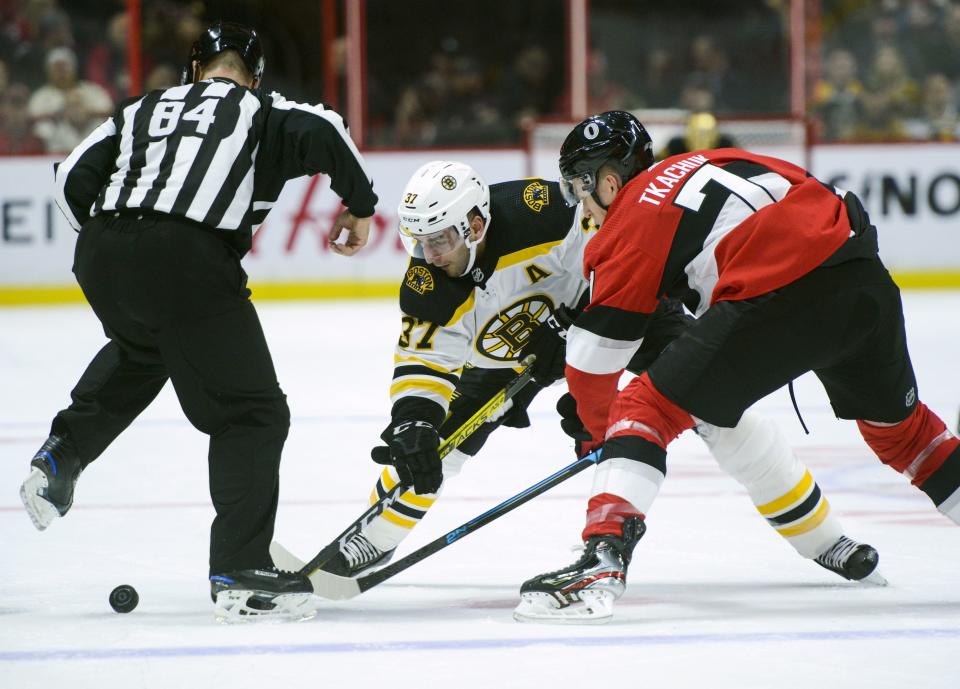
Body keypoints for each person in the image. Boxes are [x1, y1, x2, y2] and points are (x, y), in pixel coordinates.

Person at [292, 160, 882, 619]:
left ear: (475, 222)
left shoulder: (542, 210)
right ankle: (370, 540)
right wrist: (414, 422)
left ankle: (822, 537)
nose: (428, 254)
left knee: (714, 410)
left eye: (440, 239)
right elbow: (425, 360)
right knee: (432, 447)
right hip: (517, 351)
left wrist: (581, 333)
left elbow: (620, 252)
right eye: (420, 241)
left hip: (620, 310)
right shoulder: (427, 279)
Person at [517, 110, 960, 622]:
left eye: (580, 188)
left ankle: (600, 561)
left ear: (609, 181)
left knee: (644, 407)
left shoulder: (630, 217)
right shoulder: (718, 158)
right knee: (905, 435)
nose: (581, 205)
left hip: (780, 298)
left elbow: (596, 361)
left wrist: (603, 432)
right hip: (862, 277)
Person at [19, 21, 377, 623]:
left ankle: (63, 454)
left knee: (144, 349)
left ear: (192, 71)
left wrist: (120, 244)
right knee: (253, 413)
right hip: (188, 257)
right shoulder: (258, 107)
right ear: (254, 75)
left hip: (103, 250)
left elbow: (70, 177)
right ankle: (240, 573)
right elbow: (326, 128)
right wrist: (361, 207)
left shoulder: (142, 107)